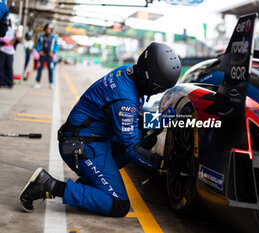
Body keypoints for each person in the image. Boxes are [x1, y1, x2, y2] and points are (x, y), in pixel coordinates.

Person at [18, 42, 181, 217]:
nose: (158, 92)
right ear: (148, 78)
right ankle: (47, 185)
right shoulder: (125, 98)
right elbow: (131, 149)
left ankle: (92, 184)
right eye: (159, 88)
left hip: (88, 137)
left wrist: (161, 120)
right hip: (79, 145)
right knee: (119, 204)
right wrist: (162, 164)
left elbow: (133, 122)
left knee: (147, 138)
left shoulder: (129, 72)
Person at [34, 23, 58, 89]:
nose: (48, 30)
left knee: (50, 69)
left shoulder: (54, 38)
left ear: (51, 30)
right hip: (43, 55)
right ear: (45, 29)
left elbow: (56, 46)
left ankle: (51, 83)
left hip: (49, 56)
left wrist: (53, 52)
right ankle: (37, 82)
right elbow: (37, 45)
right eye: (47, 29)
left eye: (49, 29)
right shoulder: (41, 37)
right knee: (40, 68)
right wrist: (39, 51)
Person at [0, 19, 18, 88]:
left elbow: (15, 40)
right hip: (2, 50)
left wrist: (13, 42)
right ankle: (1, 82)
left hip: (10, 51)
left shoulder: (12, 30)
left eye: (8, 21)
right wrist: (4, 43)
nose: (7, 22)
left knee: (9, 67)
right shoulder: (1, 29)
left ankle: (9, 82)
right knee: (1, 67)